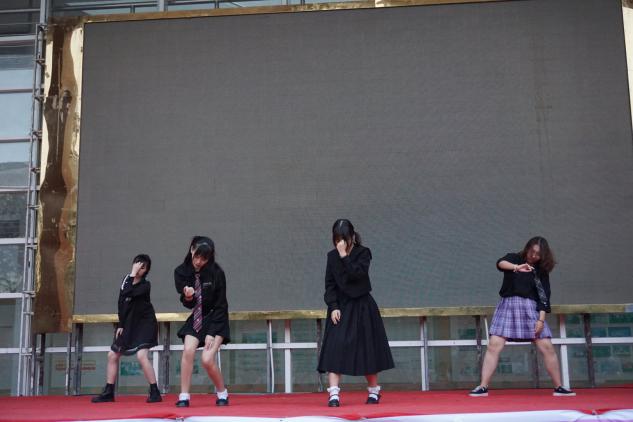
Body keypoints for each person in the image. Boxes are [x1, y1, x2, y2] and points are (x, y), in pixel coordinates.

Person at [469, 236, 576, 397]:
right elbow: (500, 263)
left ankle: (559, 386)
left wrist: (541, 319)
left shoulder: (541, 270)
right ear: (527, 248)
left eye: (538, 254)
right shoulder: (514, 258)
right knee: (494, 345)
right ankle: (483, 386)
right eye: (532, 251)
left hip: (530, 308)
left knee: (547, 347)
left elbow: (544, 296)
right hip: (508, 306)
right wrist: (517, 267)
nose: (534, 256)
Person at [317, 219, 394, 406]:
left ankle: (374, 391)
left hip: (362, 305)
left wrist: (344, 256)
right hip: (341, 307)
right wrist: (333, 306)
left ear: (352, 236)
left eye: (343, 239)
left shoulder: (363, 253)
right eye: (337, 239)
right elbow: (329, 285)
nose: (340, 243)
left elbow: (357, 275)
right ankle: (334, 394)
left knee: (367, 348)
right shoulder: (331, 257)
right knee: (335, 347)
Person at [92, 254, 161, 403]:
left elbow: (128, 292)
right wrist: (121, 324)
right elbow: (121, 301)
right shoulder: (126, 279)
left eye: (143, 267)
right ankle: (109, 392)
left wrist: (133, 274)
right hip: (128, 324)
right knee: (112, 355)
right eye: (137, 264)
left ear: (146, 270)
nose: (139, 268)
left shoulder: (145, 285)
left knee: (142, 355)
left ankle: (155, 391)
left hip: (145, 324)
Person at [174, 236, 230, 407]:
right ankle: (184, 396)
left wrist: (211, 333)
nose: (199, 261)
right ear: (191, 249)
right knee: (188, 350)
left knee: (206, 359)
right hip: (198, 316)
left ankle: (222, 392)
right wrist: (188, 296)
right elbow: (187, 303)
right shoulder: (181, 271)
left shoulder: (217, 273)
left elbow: (221, 305)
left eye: (204, 259)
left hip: (216, 318)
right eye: (197, 256)